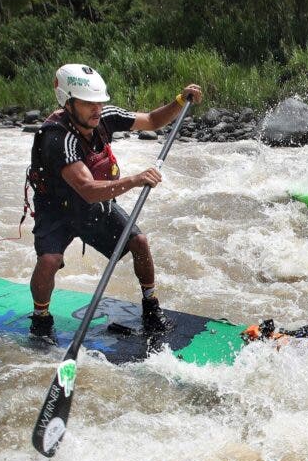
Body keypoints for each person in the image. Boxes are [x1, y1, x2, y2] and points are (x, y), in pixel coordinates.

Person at [26, 63, 203, 345]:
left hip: (92, 206)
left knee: (139, 242)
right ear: (68, 103)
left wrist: (180, 101)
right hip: (57, 209)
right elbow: (87, 189)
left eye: (99, 102)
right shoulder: (57, 139)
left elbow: (152, 121)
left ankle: (151, 306)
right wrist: (134, 180)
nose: (97, 109)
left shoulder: (104, 117)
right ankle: (41, 320)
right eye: (88, 104)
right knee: (49, 260)